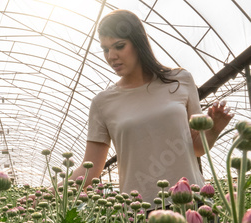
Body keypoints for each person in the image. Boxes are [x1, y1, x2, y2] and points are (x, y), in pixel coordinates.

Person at [70, 9, 233, 205]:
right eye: (105, 49)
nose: (111, 56)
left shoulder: (180, 80)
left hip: (192, 202)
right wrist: (54, 192)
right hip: (140, 211)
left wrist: (214, 129)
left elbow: (196, 147)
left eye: (119, 46)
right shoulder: (102, 102)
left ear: (138, 42)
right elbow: (91, 168)